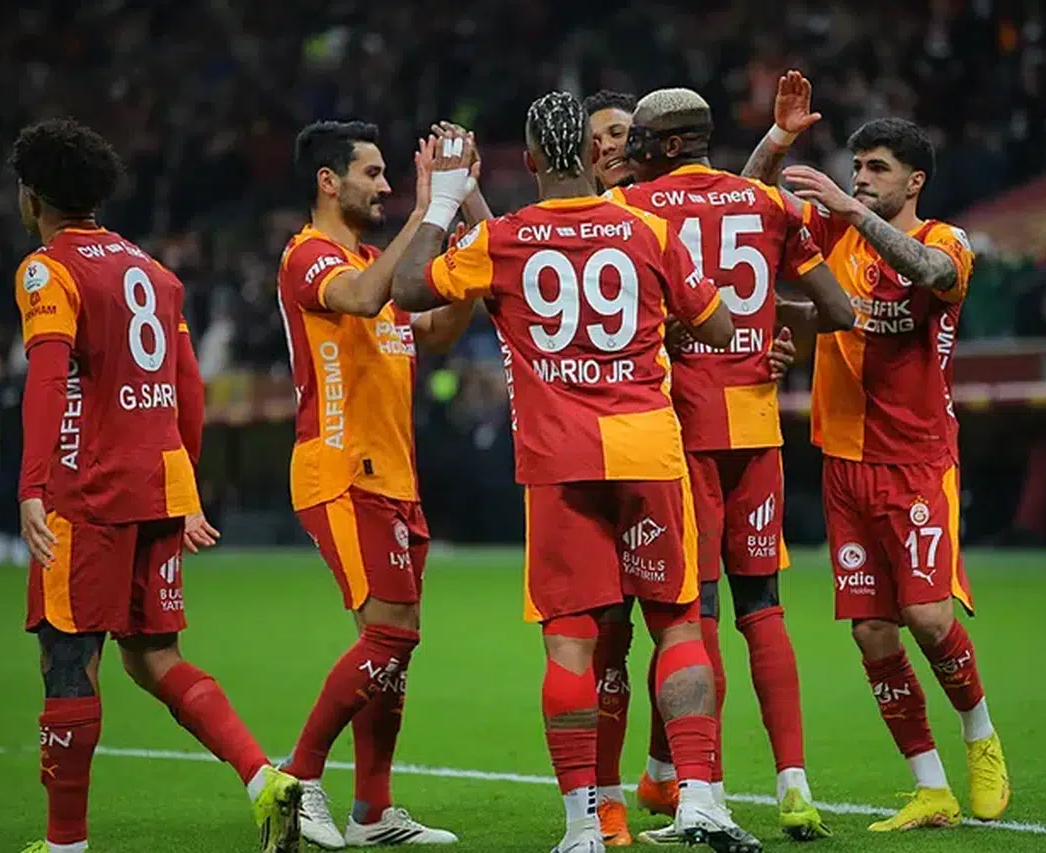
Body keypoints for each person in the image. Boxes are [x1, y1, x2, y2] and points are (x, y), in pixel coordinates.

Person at [391, 93, 762, 853]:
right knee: (678, 624)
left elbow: (407, 290)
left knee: (571, 639)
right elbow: (723, 326)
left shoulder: (503, 239)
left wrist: (448, 199)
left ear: (529, 159)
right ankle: (700, 800)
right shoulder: (646, 227)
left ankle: (584, 826)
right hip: (648, 450)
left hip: (561, 460)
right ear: (595, 156)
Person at [11, 117, 303, 853]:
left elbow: (47, 380)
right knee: (153, 656)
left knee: (68, 660)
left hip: (88, 492)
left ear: (32, 196)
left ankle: (65, 843)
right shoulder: (152, 270)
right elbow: (188, 386)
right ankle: (263, 778)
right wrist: (185, 485)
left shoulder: (49, 270)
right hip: (157, 486)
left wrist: (31, 486)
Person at [597, 87, 853, 845]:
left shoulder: (634, 208)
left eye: (641, 138)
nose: (630, 150)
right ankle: (794, 786)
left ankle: (699, 792)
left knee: (693, 613)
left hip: (681, 429)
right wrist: (772, 329)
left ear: (670, 145)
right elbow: (840, 311)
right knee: (764, 608)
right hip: (758, 428)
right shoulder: (768, 204)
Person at [751, 103, 1012, 830]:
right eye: (857, 167)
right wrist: (779, 141)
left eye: (877, 169)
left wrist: (848, 209)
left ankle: (981, 735)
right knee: (871, 631)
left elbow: (931, 272)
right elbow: (742, 204)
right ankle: (930, 787)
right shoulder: (830, 231)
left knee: (927, 615)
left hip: (917, 462)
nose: (861, 178)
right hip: (844, 462)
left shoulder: (944, 240)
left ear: (914, 181)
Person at [275, 119, 485, 848]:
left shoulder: (373, 259)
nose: (387, 186)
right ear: (328, 182)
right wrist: (430, 211)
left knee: (392, 650)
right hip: (341, 471)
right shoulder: (309, 257)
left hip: (395, 476)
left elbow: (435, 333)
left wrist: (465, 256)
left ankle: (372, 811)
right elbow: (364, 299)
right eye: (372, 173)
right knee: (391, 636)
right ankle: (297, 779)